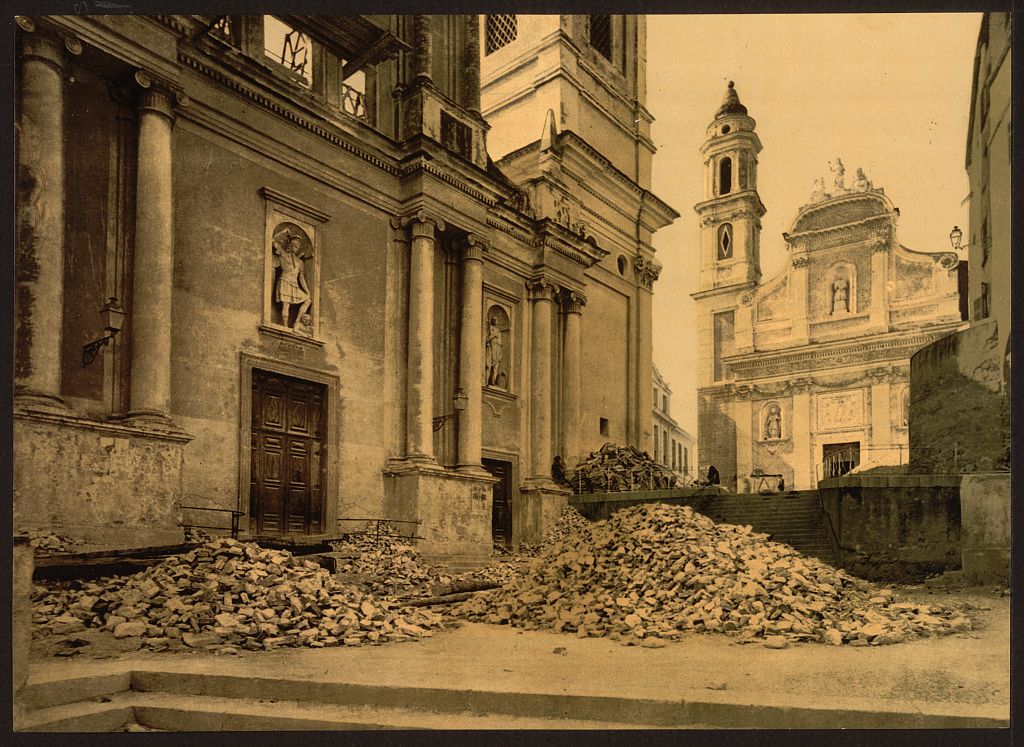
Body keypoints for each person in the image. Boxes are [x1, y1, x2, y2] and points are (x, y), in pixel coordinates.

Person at [274, 233, 311, 331]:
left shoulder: (299, 262)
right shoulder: (283, 254)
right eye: (294, 246)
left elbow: (301, 278)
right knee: (286, 305)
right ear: (289, 246)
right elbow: (273, 240)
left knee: (307, 300)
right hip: (285, 281)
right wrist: (283, 231)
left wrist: (307, 291)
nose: (296, 248)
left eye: (297, 247)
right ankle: (285, 326)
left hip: (295, 285)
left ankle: (297, 322)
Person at [484, 315, 503, 387]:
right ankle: (486, 382)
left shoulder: (498, 331)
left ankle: (493, 382)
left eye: (496, 320)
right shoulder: (489, 329)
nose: (495, 321)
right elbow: (486, 339)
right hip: (490, 347)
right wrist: (493, 336)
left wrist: (500, 352)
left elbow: (500, 343)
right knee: (488, 365)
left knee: (495, 366)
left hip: (497, 348)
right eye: (494, 319)